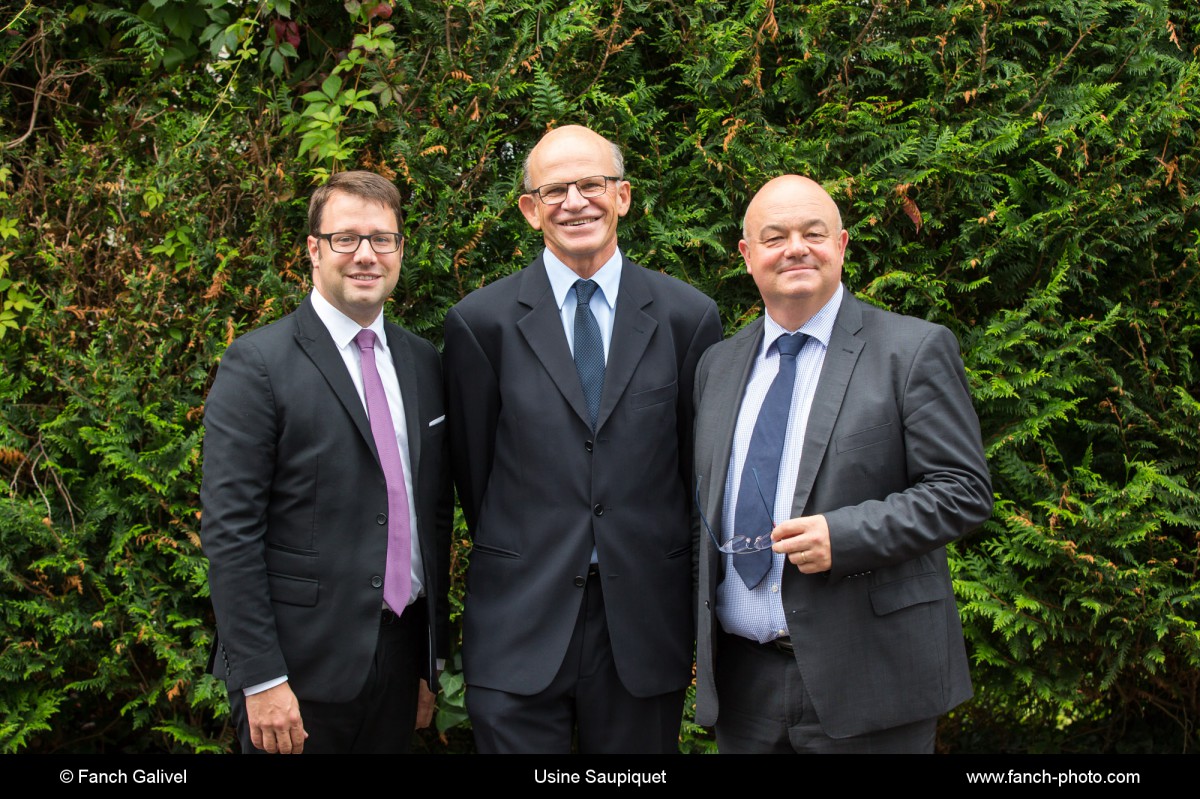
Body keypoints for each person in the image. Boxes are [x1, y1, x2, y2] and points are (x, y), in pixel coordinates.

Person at [443, 124, 723, 753]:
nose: (575, 202)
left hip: (642, 626)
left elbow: (695, 475)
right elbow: (474, 473)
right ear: (529, 210)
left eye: (591, 185)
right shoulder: (479, 324)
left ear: (622, 196)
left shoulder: (688, 318)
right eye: (555, 190)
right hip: (520, 619)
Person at [692, 174, 993, 753]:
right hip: (743, 685)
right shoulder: (719, 365)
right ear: (747, 256)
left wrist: (845, 533)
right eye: (774, 237)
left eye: (814, 232)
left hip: (872, 676)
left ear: (843, 245)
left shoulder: (912, 351)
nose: (796, 248)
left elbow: (963, 491)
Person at [200, 171, 451, 754]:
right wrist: (261, 678)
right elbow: (230, 533)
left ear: (399, 250)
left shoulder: (423, 362)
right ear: (313, 250)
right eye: (346, 239)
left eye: (381, 239)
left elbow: (432, 515)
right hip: (296, 674)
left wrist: (426, 664)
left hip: (397, 658)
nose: (366, 255)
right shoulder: (257, 364)